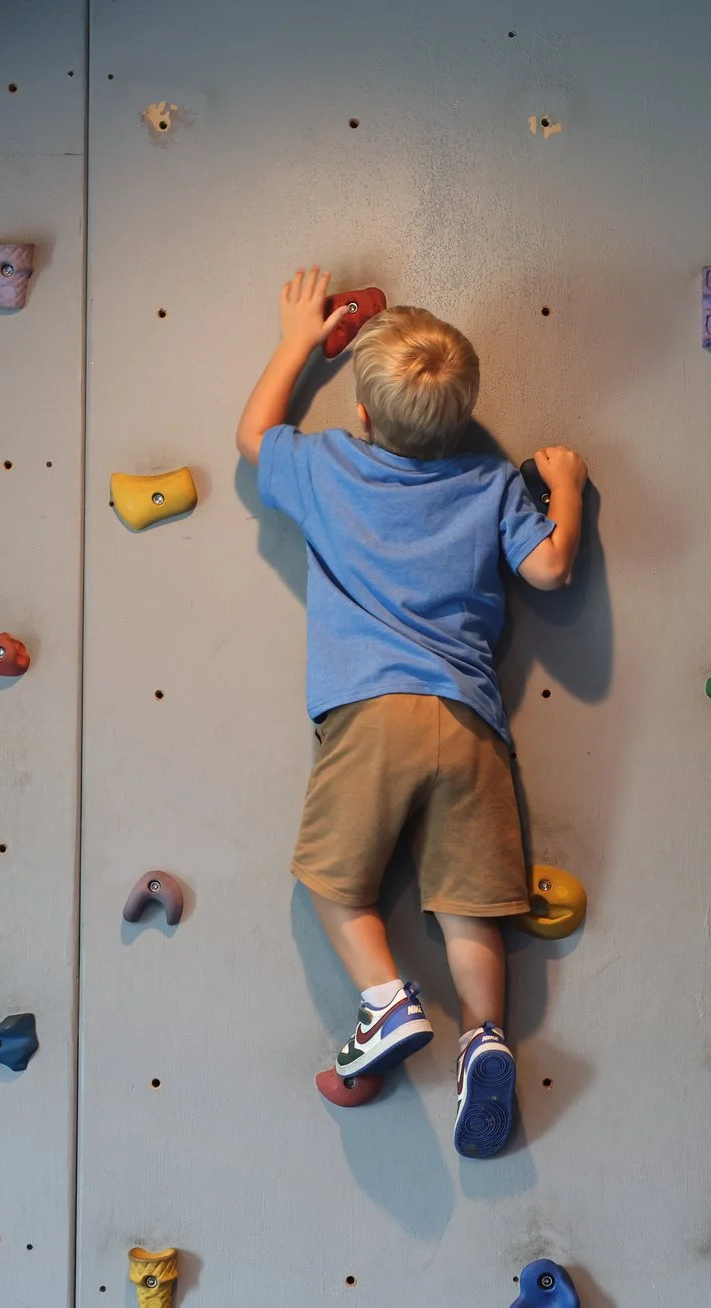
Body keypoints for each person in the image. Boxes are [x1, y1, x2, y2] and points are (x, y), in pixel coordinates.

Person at [235, 267, 586, 1158]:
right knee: (470, 908)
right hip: (469, 725)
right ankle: (484, 1038)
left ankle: (386, 1000)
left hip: (369, 716)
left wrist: (294, 341)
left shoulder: (328, 466)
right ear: (464, 411)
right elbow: (549, 570)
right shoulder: (489, 481)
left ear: (361, 414)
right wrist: (567, 487)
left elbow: (253, 436)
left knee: (331, 881)